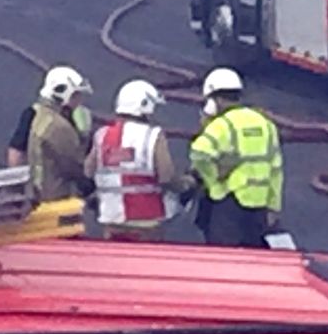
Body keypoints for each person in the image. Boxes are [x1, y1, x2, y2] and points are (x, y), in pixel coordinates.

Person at [84, 79, 193, 240]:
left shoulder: (102, 135)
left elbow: (88, 171)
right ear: (144, 106)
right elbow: (166, 176)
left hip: (111, 219)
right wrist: (186, 184)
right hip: (147, 220)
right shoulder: (152, 136)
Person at [188, 68, 283, 246]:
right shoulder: (266, 124)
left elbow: (198, 154)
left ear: (215, 99)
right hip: (259, 206)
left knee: (224, 258)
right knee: (253, 258)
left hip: (229, 202)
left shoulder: (221, 125)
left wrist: (213, 179)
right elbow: (276, 170)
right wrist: (273, 206)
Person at [27, 65, 94, 203]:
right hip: (57, 197)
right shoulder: (59, 127)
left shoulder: (42, 117)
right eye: (76, 95)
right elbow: (74, 165)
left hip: (40, 195)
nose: (79, 100)